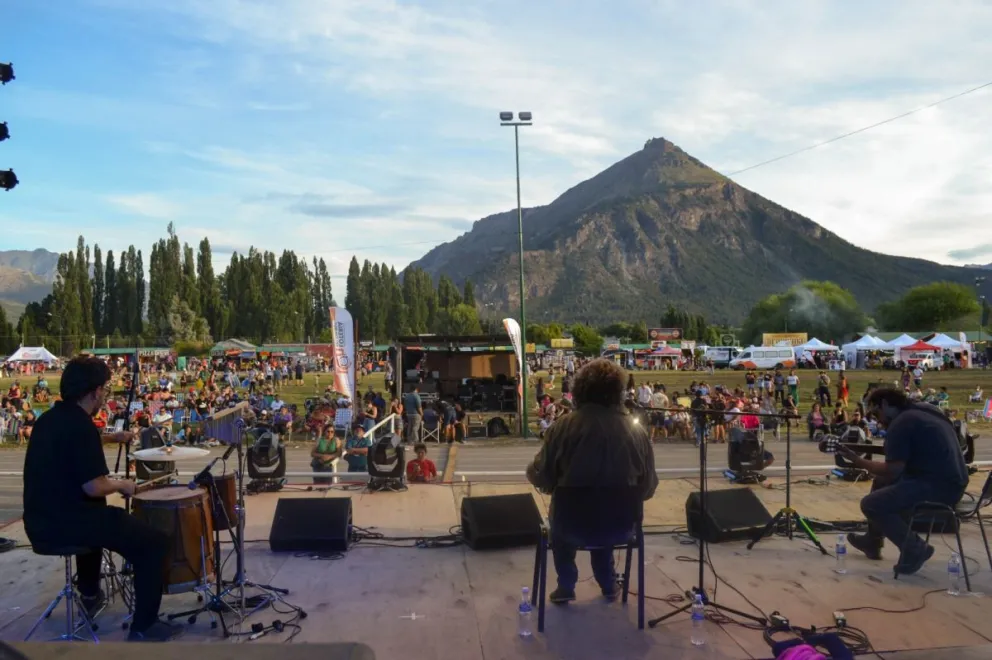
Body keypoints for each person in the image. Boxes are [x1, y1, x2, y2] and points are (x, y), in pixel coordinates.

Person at [22, 356, 182, 642]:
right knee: (154, 543)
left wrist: (111, 437)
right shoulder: (80, 427)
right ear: (95, 391)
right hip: (70, 521)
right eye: (105, 390)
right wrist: (124, 485)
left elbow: (75, 440)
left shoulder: (50, 419)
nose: (105, 395)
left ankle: (90, 594)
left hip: (39, 522)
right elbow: (94, 487)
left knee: (99, 519)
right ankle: (145, 627)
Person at [526, 359, 657, 605]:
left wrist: (535, 473)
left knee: (565, 518)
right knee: (604, 514)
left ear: (579, 391)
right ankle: (608, 583)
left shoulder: (563, 427)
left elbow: (541, 475)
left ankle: (566, 583)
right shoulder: (636, 432)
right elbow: (648, 487)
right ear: (618, 392)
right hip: (621, 527)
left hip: (569, 526)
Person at [839, 388, 968, 574]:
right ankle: (873, 541)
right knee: (881, 482)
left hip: (938, 487)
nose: (878, 421)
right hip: (953, 481)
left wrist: (857, 460)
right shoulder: (926, 409)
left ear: (885, 404)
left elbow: (893, 470)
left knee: (871, 504)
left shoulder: (902, 423)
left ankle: (914, 548)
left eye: (876, 413)